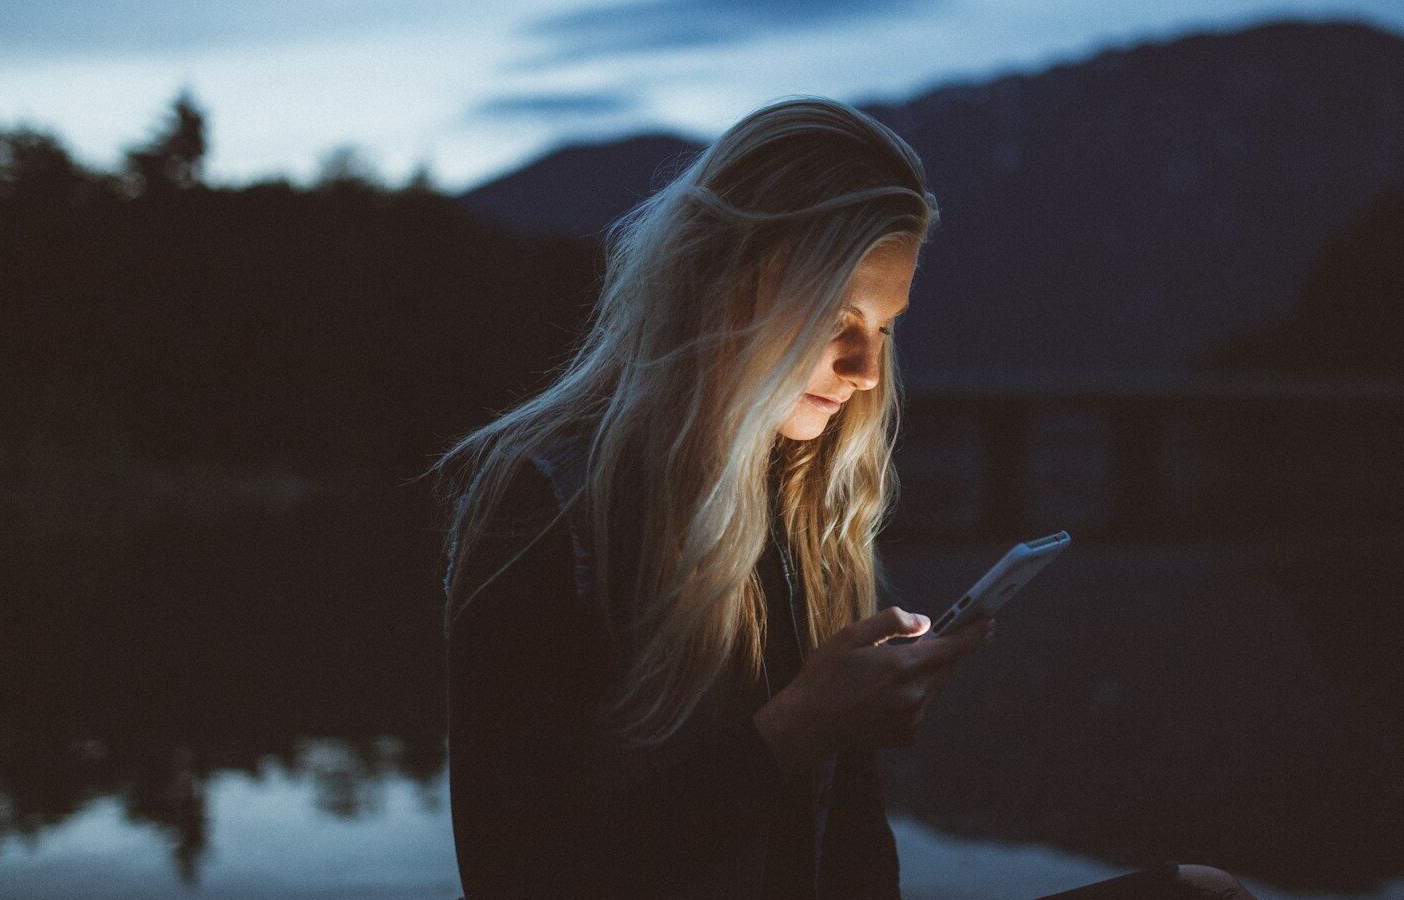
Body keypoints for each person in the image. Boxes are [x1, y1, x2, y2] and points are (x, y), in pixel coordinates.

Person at [427, 96, 1258, 900]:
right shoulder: (546, 503)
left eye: (885, 327)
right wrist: (796, 730)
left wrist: (838, 722)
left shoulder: (800, 500)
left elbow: (851, 847)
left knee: (1203, 894)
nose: (865, 371)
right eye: (837, 318)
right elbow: (514, 876)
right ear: (721, 284)